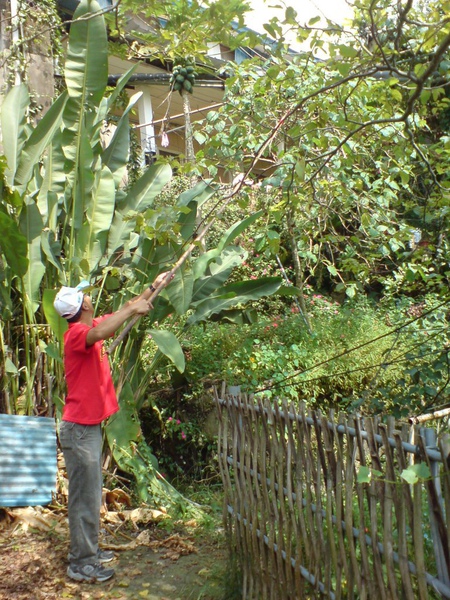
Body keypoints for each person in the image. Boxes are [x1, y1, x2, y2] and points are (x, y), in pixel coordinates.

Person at [53, 274, 168, 583]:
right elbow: (110, 325)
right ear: (83, 305)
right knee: (85, 498)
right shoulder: (77, 334)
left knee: (89, 495)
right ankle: (81, 563)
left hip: (86, 428)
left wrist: (155, 286)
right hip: (78, 430)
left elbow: (126, 307)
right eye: (85, 296)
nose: (90, 297)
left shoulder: (90, 327)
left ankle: (87, 552)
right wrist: (131, 312)